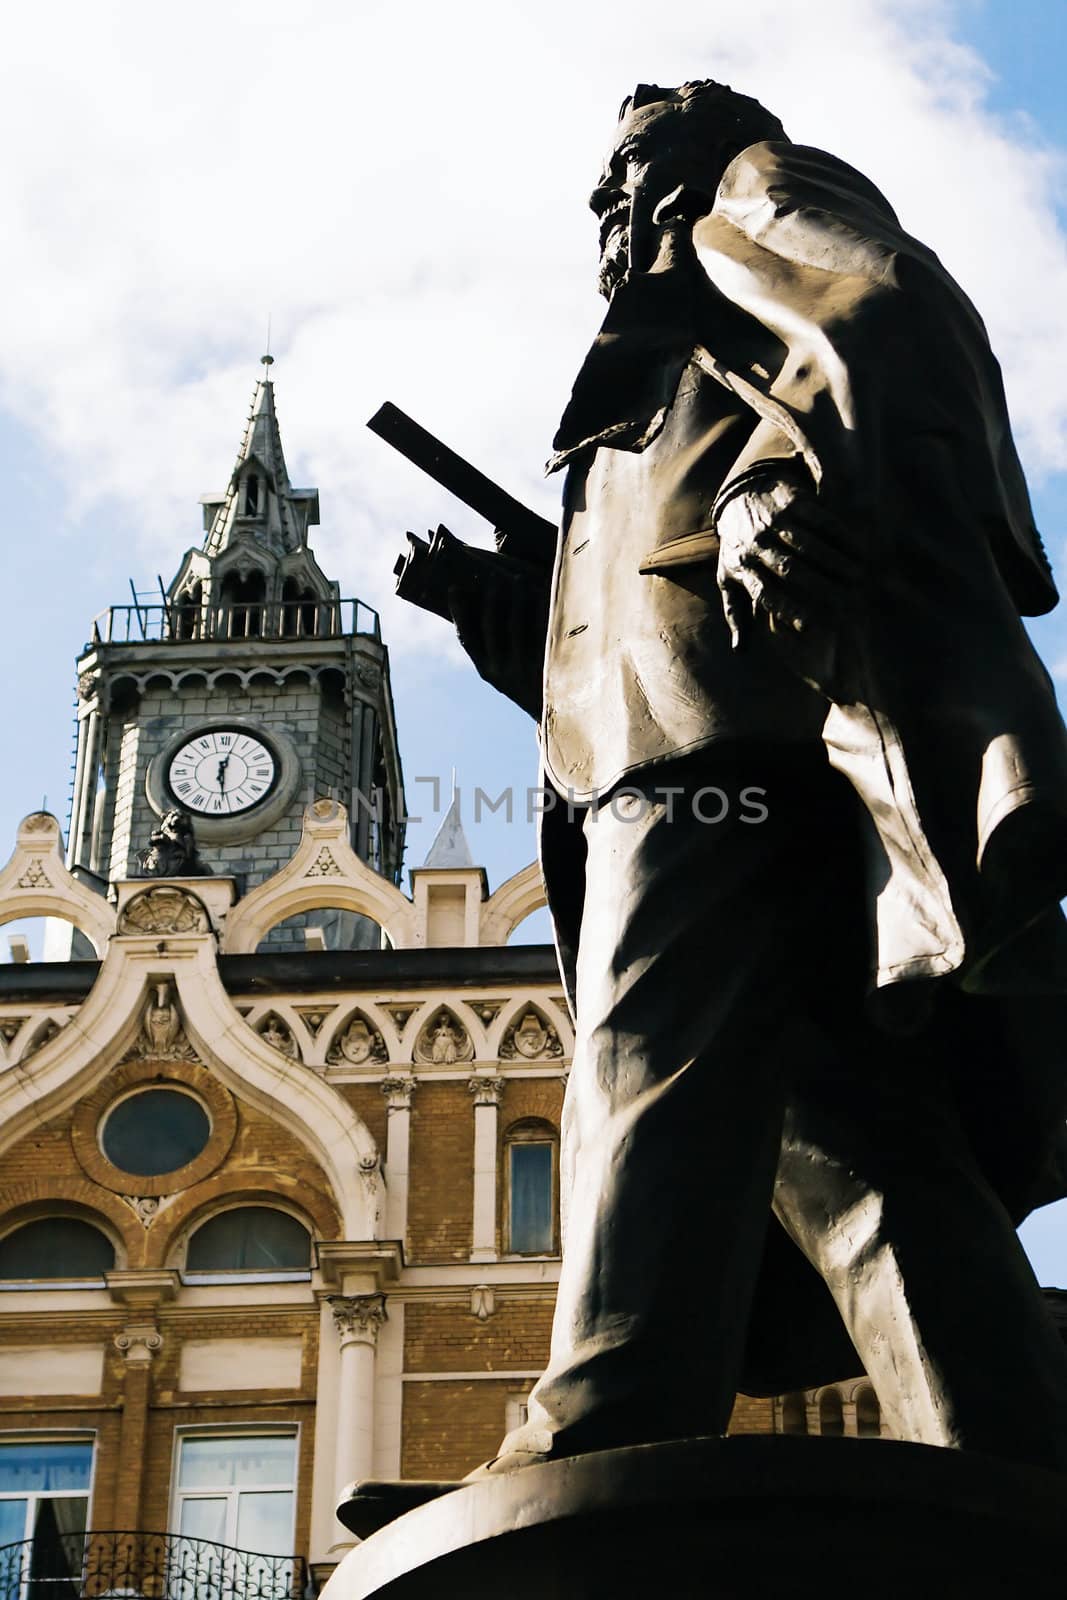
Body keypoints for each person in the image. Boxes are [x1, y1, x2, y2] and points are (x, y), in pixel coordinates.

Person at [440, 80, 1067, 1472]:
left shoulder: (752, 200)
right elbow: (617, 630)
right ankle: (1007, 1439)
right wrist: (500, 611)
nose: (612, 208)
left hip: (713, 761)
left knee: (647, 1055)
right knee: (853, 1146)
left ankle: (604, 1416)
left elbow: (892, 316)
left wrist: (778, 480)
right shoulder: (666, 362)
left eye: (629, 173)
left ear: (690, 164)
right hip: (678, 749)